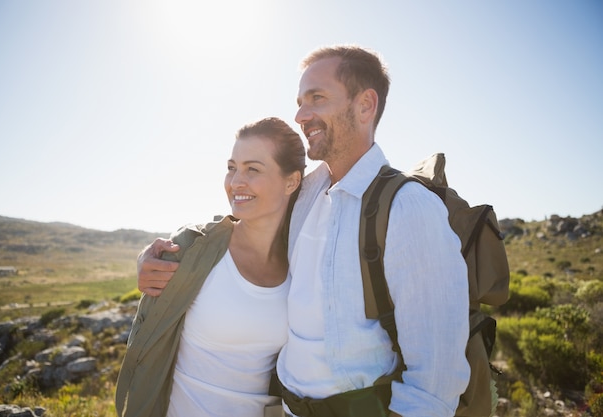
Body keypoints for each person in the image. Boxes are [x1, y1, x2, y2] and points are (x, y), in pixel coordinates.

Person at [137, 45, 470, 417]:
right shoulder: (307, 192)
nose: (300, 115)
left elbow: (437, 383)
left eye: (317, 98)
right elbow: (248, 213)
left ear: (365, 106)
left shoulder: (409, 208)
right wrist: (168, 251)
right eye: (299, 101)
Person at [115, 117, 305, 417]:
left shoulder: (302, 260)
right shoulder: (194, 251)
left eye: (252, 169)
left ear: (291, 181)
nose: (235, 182)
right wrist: (147, 260)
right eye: (232, 168)